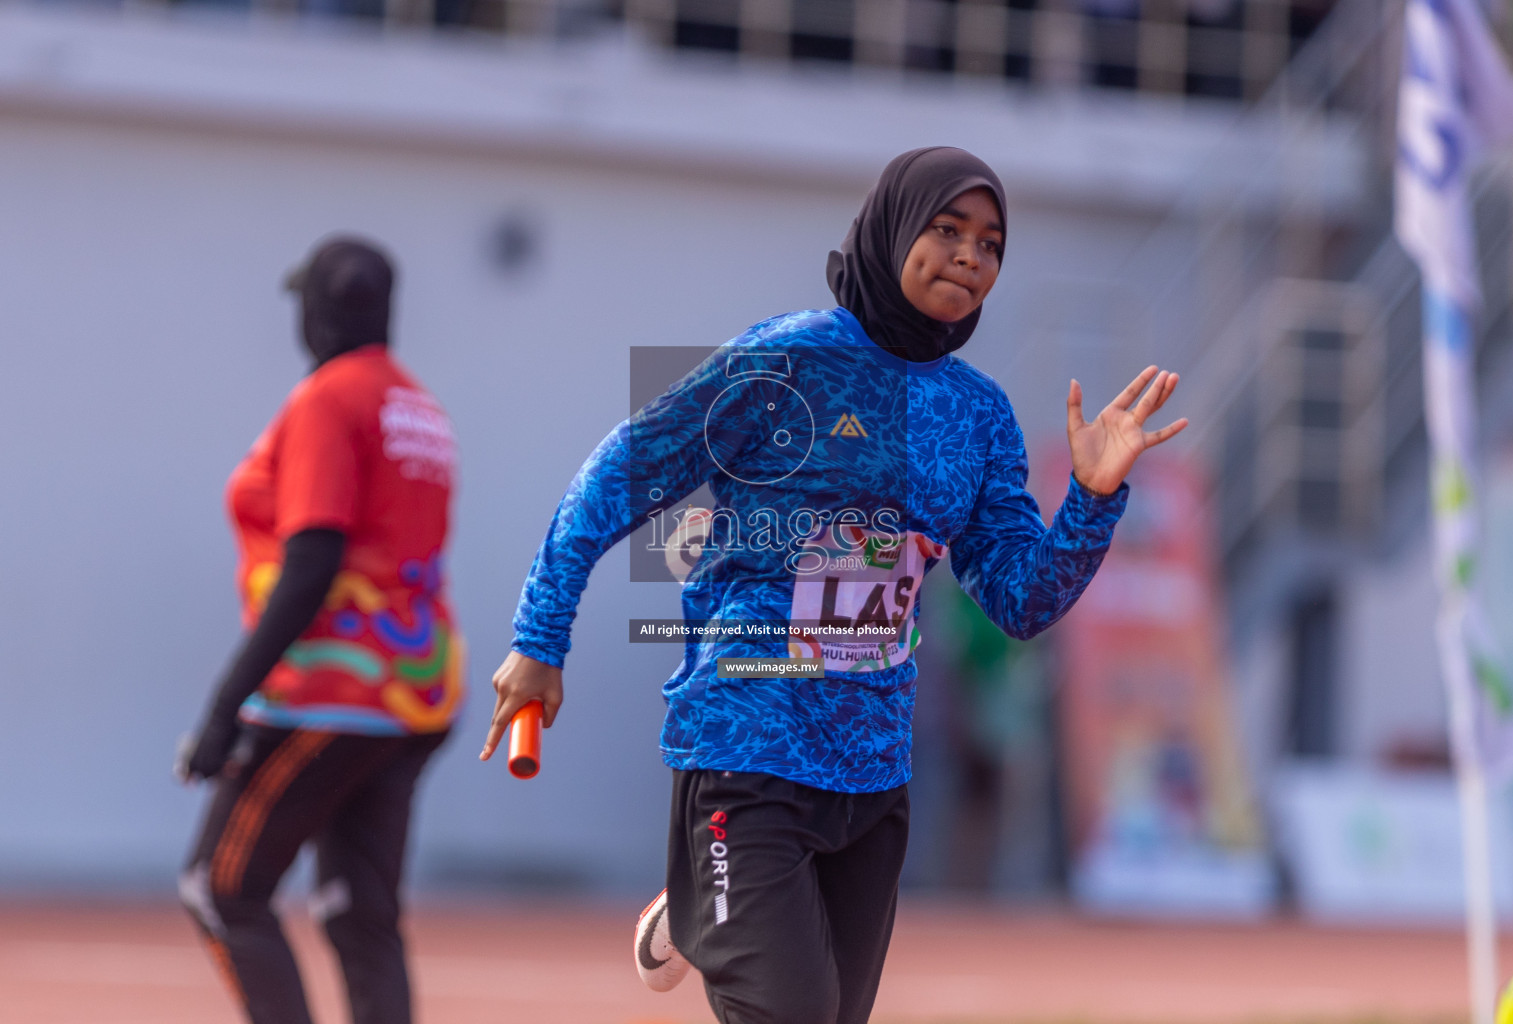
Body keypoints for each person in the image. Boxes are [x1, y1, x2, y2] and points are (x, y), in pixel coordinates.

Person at [479, 147, 1186, 1024]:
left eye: (991, 243)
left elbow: (1020, 599)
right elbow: (619, 474)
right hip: (747, 745)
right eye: (947, 230)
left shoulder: (980, 414)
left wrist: (1094, 498)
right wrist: (539, 638)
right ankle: (712, 897)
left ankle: (702, 912)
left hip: (872, 778)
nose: (970, 257)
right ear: (892, 230)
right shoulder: (789, 359)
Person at [176, 236, 461, 1024]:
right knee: (357, 909)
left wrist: (222, 708)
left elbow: (312, 560)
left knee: (221, 887)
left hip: (333, 692)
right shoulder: (420, 410)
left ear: (315, 311)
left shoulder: (328, 400)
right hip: (419, 688)